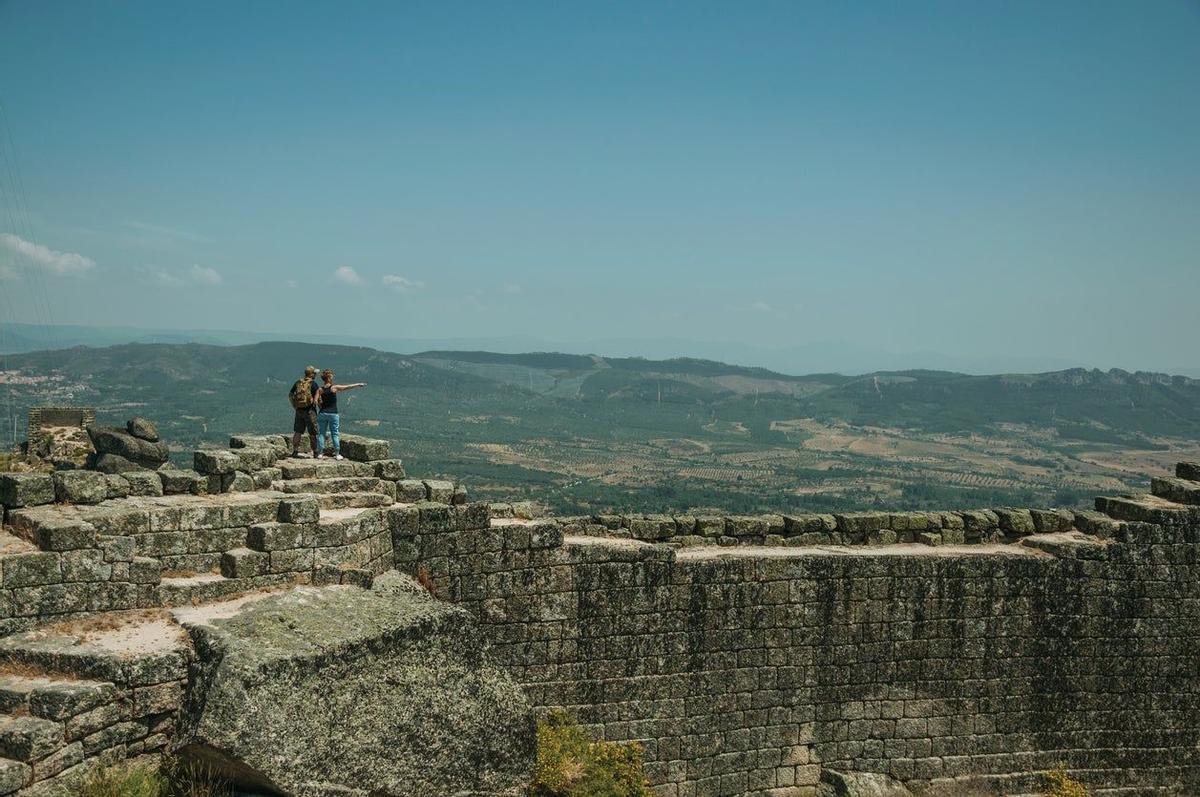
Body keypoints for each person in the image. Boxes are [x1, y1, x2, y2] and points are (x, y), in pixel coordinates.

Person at [315, 368, 367, 460]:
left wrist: (320, 406)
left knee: (321, 434)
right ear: (330, 378)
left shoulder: (320, 390)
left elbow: (315, 401)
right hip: (333, 414)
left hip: (322, 413)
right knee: (334, 433)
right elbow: (347, 387)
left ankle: (320, 453)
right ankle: (337, 454)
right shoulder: (334, 388)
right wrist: (358, 384)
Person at [288, 365, 321, 458]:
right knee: (313, 433)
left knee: (298, 431)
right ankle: (315, 452)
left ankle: (295, 451)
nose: (315, 375)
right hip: (310, 411)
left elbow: (290, 395)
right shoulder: (313, 384)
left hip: (299, 410)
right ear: (311, 374)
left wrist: (294, 405)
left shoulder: (298, 382)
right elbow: (317, 400)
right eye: (314, 373)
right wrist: (321, 409)